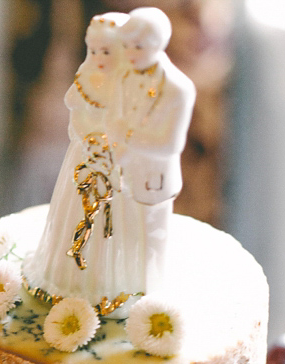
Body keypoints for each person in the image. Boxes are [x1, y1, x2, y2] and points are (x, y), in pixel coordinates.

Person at [23, 12, 147, 313]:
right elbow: (75, 110)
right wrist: (88, 138)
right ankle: (68, 277)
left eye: (106, 51)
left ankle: (112, 281)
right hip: (85, 158)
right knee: (74, 214)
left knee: (115, 222)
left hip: (117, 167)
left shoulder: (130, 87)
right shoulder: (86, 79)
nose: (98, 57)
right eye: (93, 50)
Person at [108, 6, 195, 296]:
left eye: (139, 46)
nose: (131, 53)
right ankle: (120, 289)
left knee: (151, 240)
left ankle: (148, 296)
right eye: (127, 45)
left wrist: (129, 137)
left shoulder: (178, 89)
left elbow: (170, 144)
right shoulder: (124, 76)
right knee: (122, 234)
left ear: (158, 44)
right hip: (121, 171)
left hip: (154, 176)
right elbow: (117, 118)